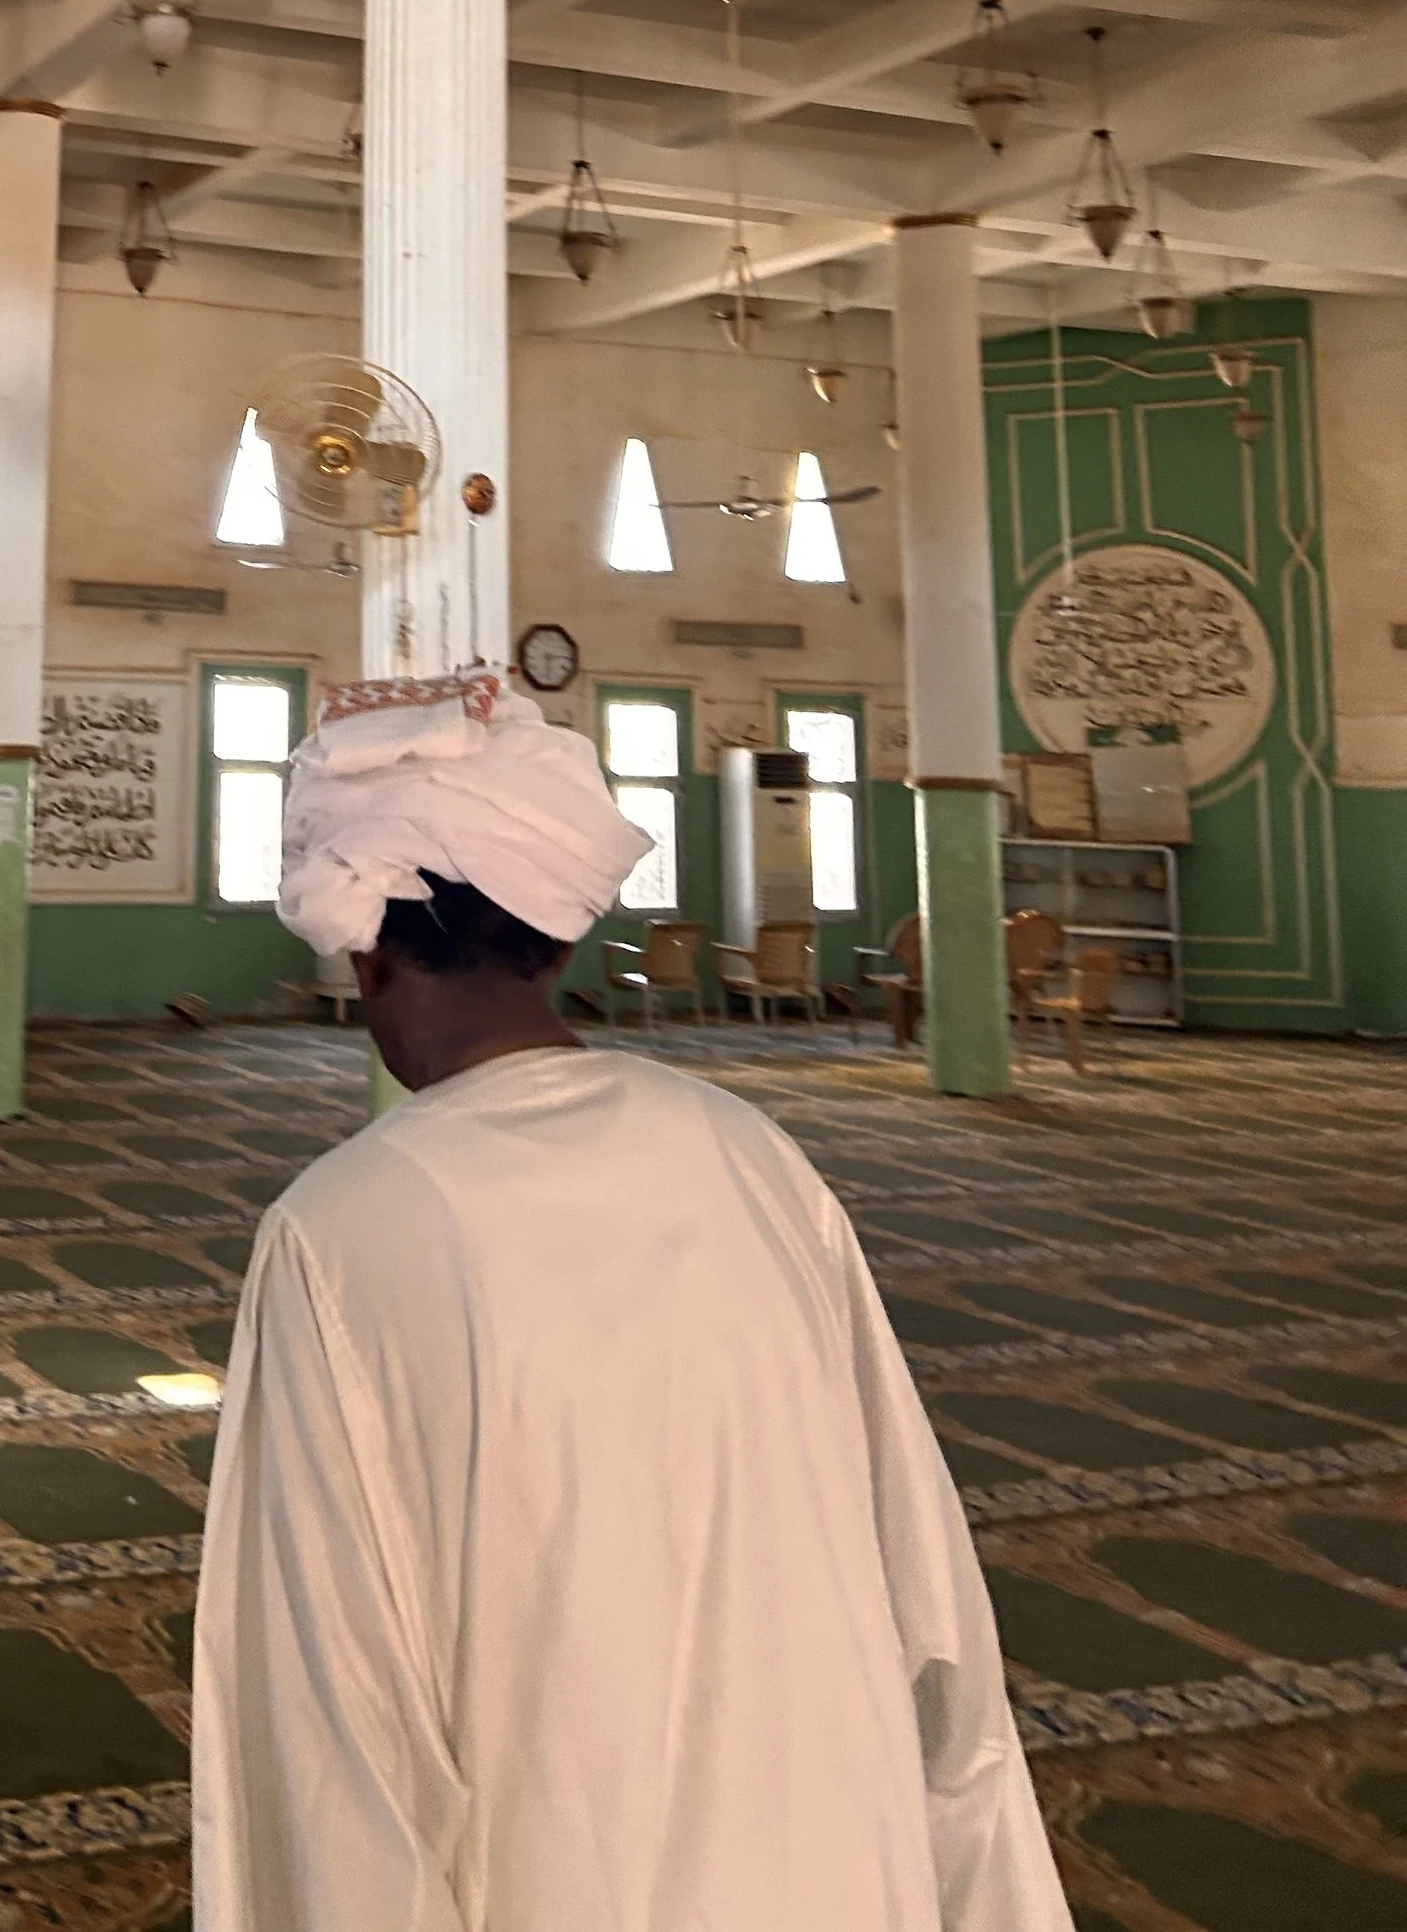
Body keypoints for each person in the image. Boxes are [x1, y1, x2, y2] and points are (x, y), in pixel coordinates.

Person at [191, 668, 1068, 1932]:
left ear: (365, 952)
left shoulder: (338, 1232)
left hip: (556, 1874)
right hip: (836, 1853)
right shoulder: (751, 1155)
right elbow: (919, 1572)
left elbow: (330, 1709)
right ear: (557, 941)